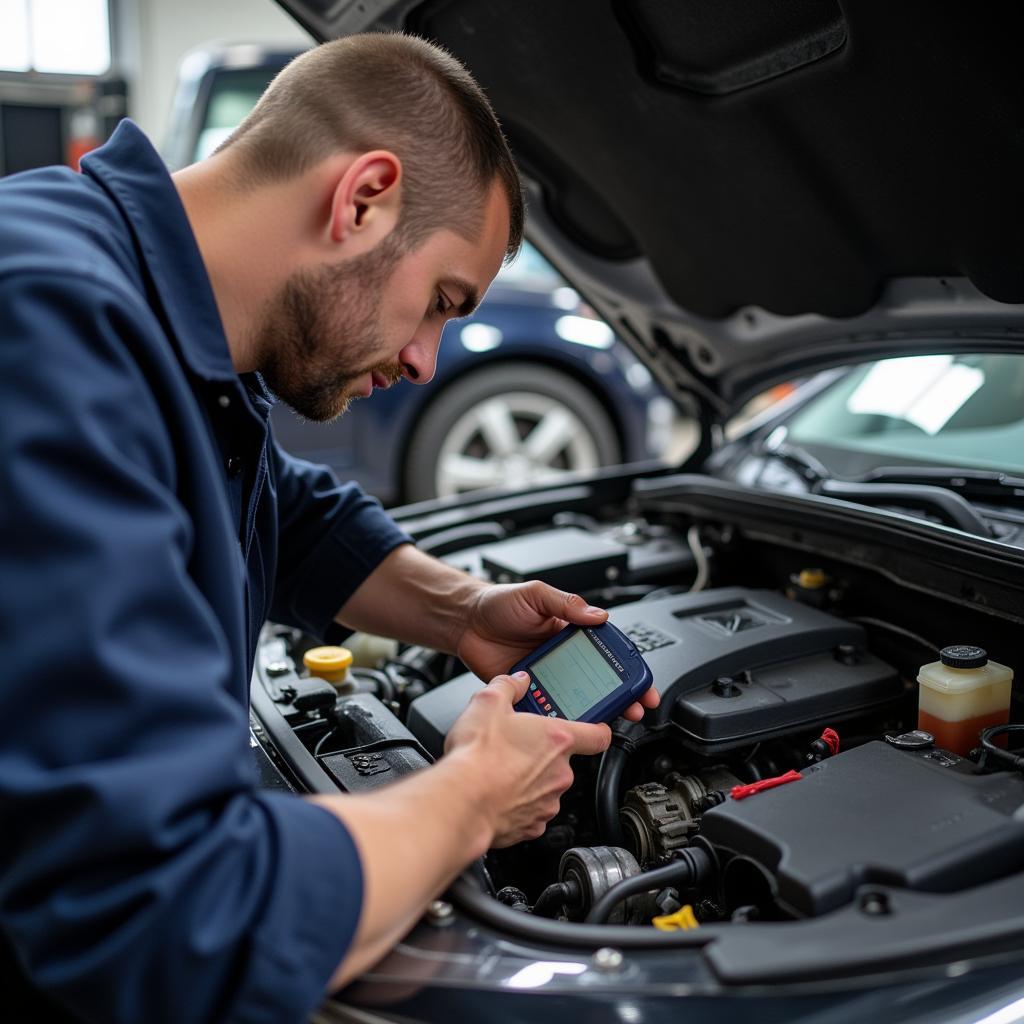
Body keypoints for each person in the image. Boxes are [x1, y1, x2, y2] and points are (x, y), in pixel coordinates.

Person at [0, 32, 658, 1024]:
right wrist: (471, 799)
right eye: (440, 302)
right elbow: (175, 917)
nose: (429, 361)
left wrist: (465, 613)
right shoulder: (50, 333)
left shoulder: (148, 309)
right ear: (362, 199)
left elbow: (282, 507)